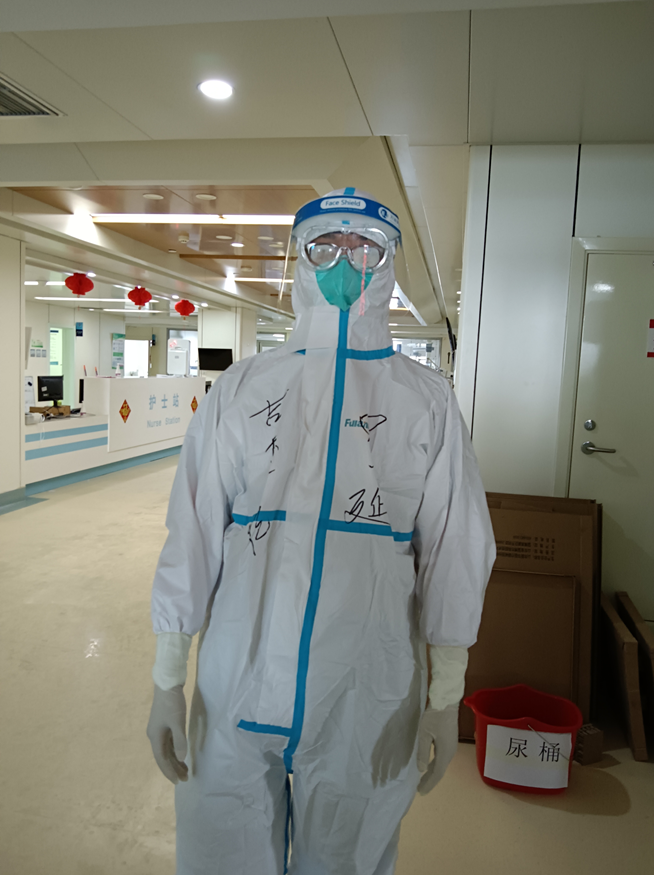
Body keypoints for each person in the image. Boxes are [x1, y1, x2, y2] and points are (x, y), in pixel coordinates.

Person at [147, 188, 496, 875]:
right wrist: (166, 677)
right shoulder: (242, 389)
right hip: (235, 676)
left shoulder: (425, 402)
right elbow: (191, 532)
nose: (345, 260)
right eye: (325, 245)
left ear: (389, 263)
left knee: (345, 859)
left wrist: (445, 694)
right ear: (297, 260)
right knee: (222, 854)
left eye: (365, 246)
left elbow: (457, 548)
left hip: (365, 686)